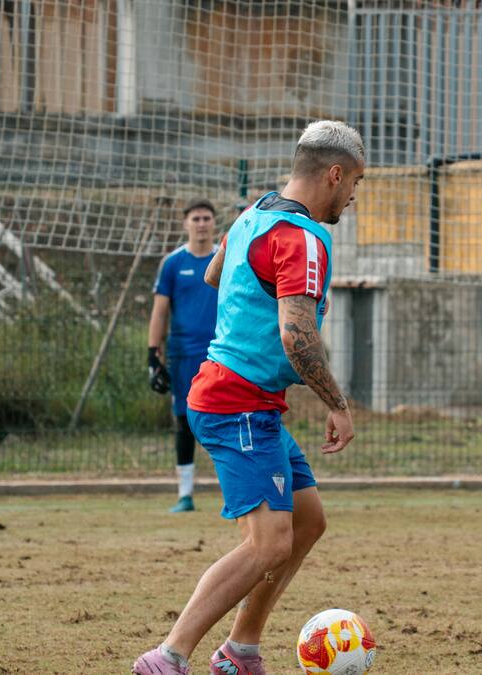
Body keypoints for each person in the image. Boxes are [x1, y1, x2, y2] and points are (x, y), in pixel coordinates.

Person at [133, 119, 365, 675]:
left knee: (306, 523)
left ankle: (240, 651)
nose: (355, 195)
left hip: (244, 398)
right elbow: (296, 333)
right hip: (236, 402)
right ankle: (167, 657)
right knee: (267, 544)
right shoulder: (303, 238)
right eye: (356, 182)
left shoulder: (256, 213)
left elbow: (216, 274)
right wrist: (337, 403)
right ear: (334, 174)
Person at [148, 198, 220, 513]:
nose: (201, 223)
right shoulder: (173, 263)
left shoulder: (225, 258)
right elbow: (160, 311)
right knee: (184, 420)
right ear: (185, 223)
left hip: (221, 353)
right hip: (183, 354)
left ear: (214, 223)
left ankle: (235, 491)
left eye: (206, 218)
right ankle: (185, 495)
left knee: (224, 417)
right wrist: (153, 353)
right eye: (196, 218)